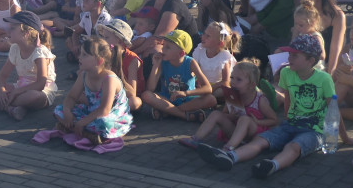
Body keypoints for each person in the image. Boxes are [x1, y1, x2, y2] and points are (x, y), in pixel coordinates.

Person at [197, 34, 334, 177]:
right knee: (260, 140)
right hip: (290, 124)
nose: (289, 58)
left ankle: (272, 165)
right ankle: (229, 156)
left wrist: (340, 136)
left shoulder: (324, 79)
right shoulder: (287, 73)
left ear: (310, 61)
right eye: (290, 54)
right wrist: (287, 119)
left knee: (293, 147)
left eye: (295, 56)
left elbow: (333, 109)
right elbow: (288, 99)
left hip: (314, 130)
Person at [178, 59, 279, 151]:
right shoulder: (232, 96)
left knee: (244, 119)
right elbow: (224, 114)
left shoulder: (259, 100)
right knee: (215, 114)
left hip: (252, 135)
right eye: (232, 78)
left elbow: (274, 120)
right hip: (234, 131)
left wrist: (258, 121)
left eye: (238, 80)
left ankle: (228, 148)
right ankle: (196, 138)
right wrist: (231, 116)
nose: (233, 82)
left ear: (252, 85)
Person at [0, 10, 58, 120]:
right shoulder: (15, 48)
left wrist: (16, 92)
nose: (8, 31)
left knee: (33, 96)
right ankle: (9, 108)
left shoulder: (40, 53)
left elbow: (40, 84)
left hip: (42, 91)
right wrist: (1, 90)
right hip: (20, 87)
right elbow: (2, 76)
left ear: (26, 33)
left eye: (12, 28)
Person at [53, 35, 133, 143]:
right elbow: (72, 97)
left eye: (84, 55)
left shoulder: (109, 79)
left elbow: (104, 110)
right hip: (91, 111)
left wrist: (82, 122)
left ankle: (75, 128)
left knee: (103, 123)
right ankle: (87, 133)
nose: (79, 57)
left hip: (112, 116)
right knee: (59, 110)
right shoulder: (84, 75)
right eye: (80, 54)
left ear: (99, 61)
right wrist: (67, 111)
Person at [142, 29, 216, 121]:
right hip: (167, 99)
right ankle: (184, 116)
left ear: (181, 53)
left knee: (211, 99)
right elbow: (150, 89)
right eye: (163, 45)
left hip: (187, 100)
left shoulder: (190, 62)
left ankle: (168, 112)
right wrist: (155, 66)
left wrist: (185, 93)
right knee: (146, 95)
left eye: (168, 47)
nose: (162, 49)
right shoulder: (162, 62)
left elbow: (208, 88)